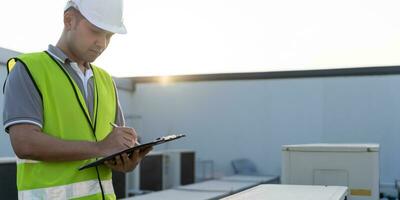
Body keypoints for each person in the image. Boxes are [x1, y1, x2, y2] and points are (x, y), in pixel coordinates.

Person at [2, 0, 152, 199]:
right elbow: (25, 144)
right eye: (96, 31)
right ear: (69, 20)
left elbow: (112, 147)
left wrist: (126, 160)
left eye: (109, 36)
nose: (103, 43)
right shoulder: (28, 69)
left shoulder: (106, 80)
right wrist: (99, 148)